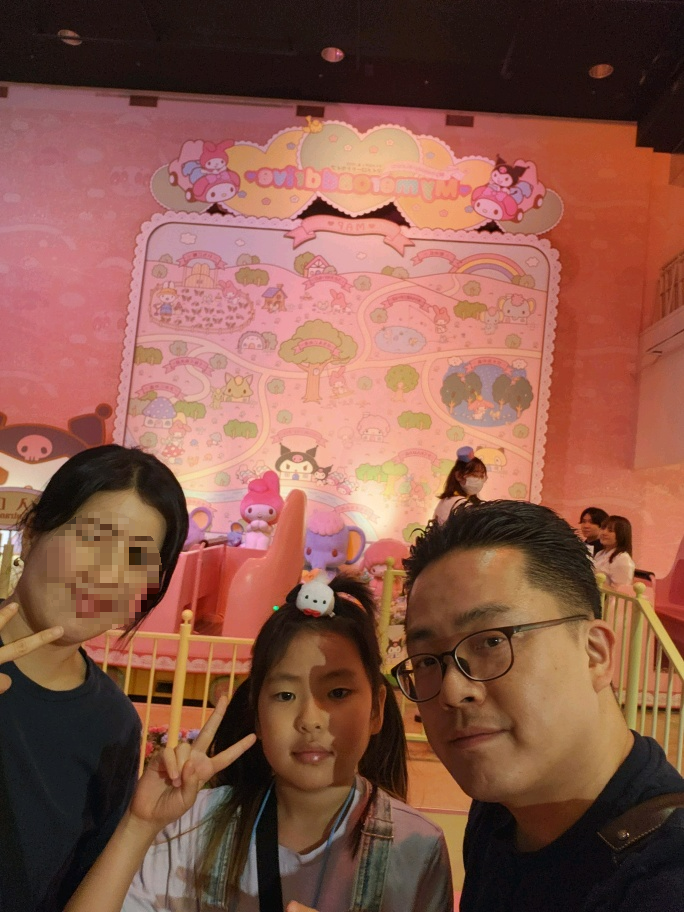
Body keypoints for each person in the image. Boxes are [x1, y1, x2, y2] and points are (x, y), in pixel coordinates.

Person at [65, 576, 453, 912]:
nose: (310, 719)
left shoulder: (417, 849)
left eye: (337, 692)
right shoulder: (190, 825)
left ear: (376, 710)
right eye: (285, 695)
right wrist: (140, 825)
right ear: (257, 714)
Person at [394, 500, 684, 912]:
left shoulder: (664, 879)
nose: (452, 691)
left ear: (594, 654)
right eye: (426, 661)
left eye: (492, 641)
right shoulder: (499, 811)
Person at [0, 444, 188, 912]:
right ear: (33, 530)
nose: (106, 575)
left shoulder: (112, 724)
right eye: (93, 537)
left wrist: (141, 826)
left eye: (138, 559)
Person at [433, 446, 487, 524]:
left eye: (481, 476)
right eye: (475, 475)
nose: (479, 480)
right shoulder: (461, 503)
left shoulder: (445, 500)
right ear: (459, 476)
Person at [593, 515, 636, 591]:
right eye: (603, 528)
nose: (604, 533)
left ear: (621, 534)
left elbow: (620, 593)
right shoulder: (599, 554)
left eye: (610, 530)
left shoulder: (622, 559)